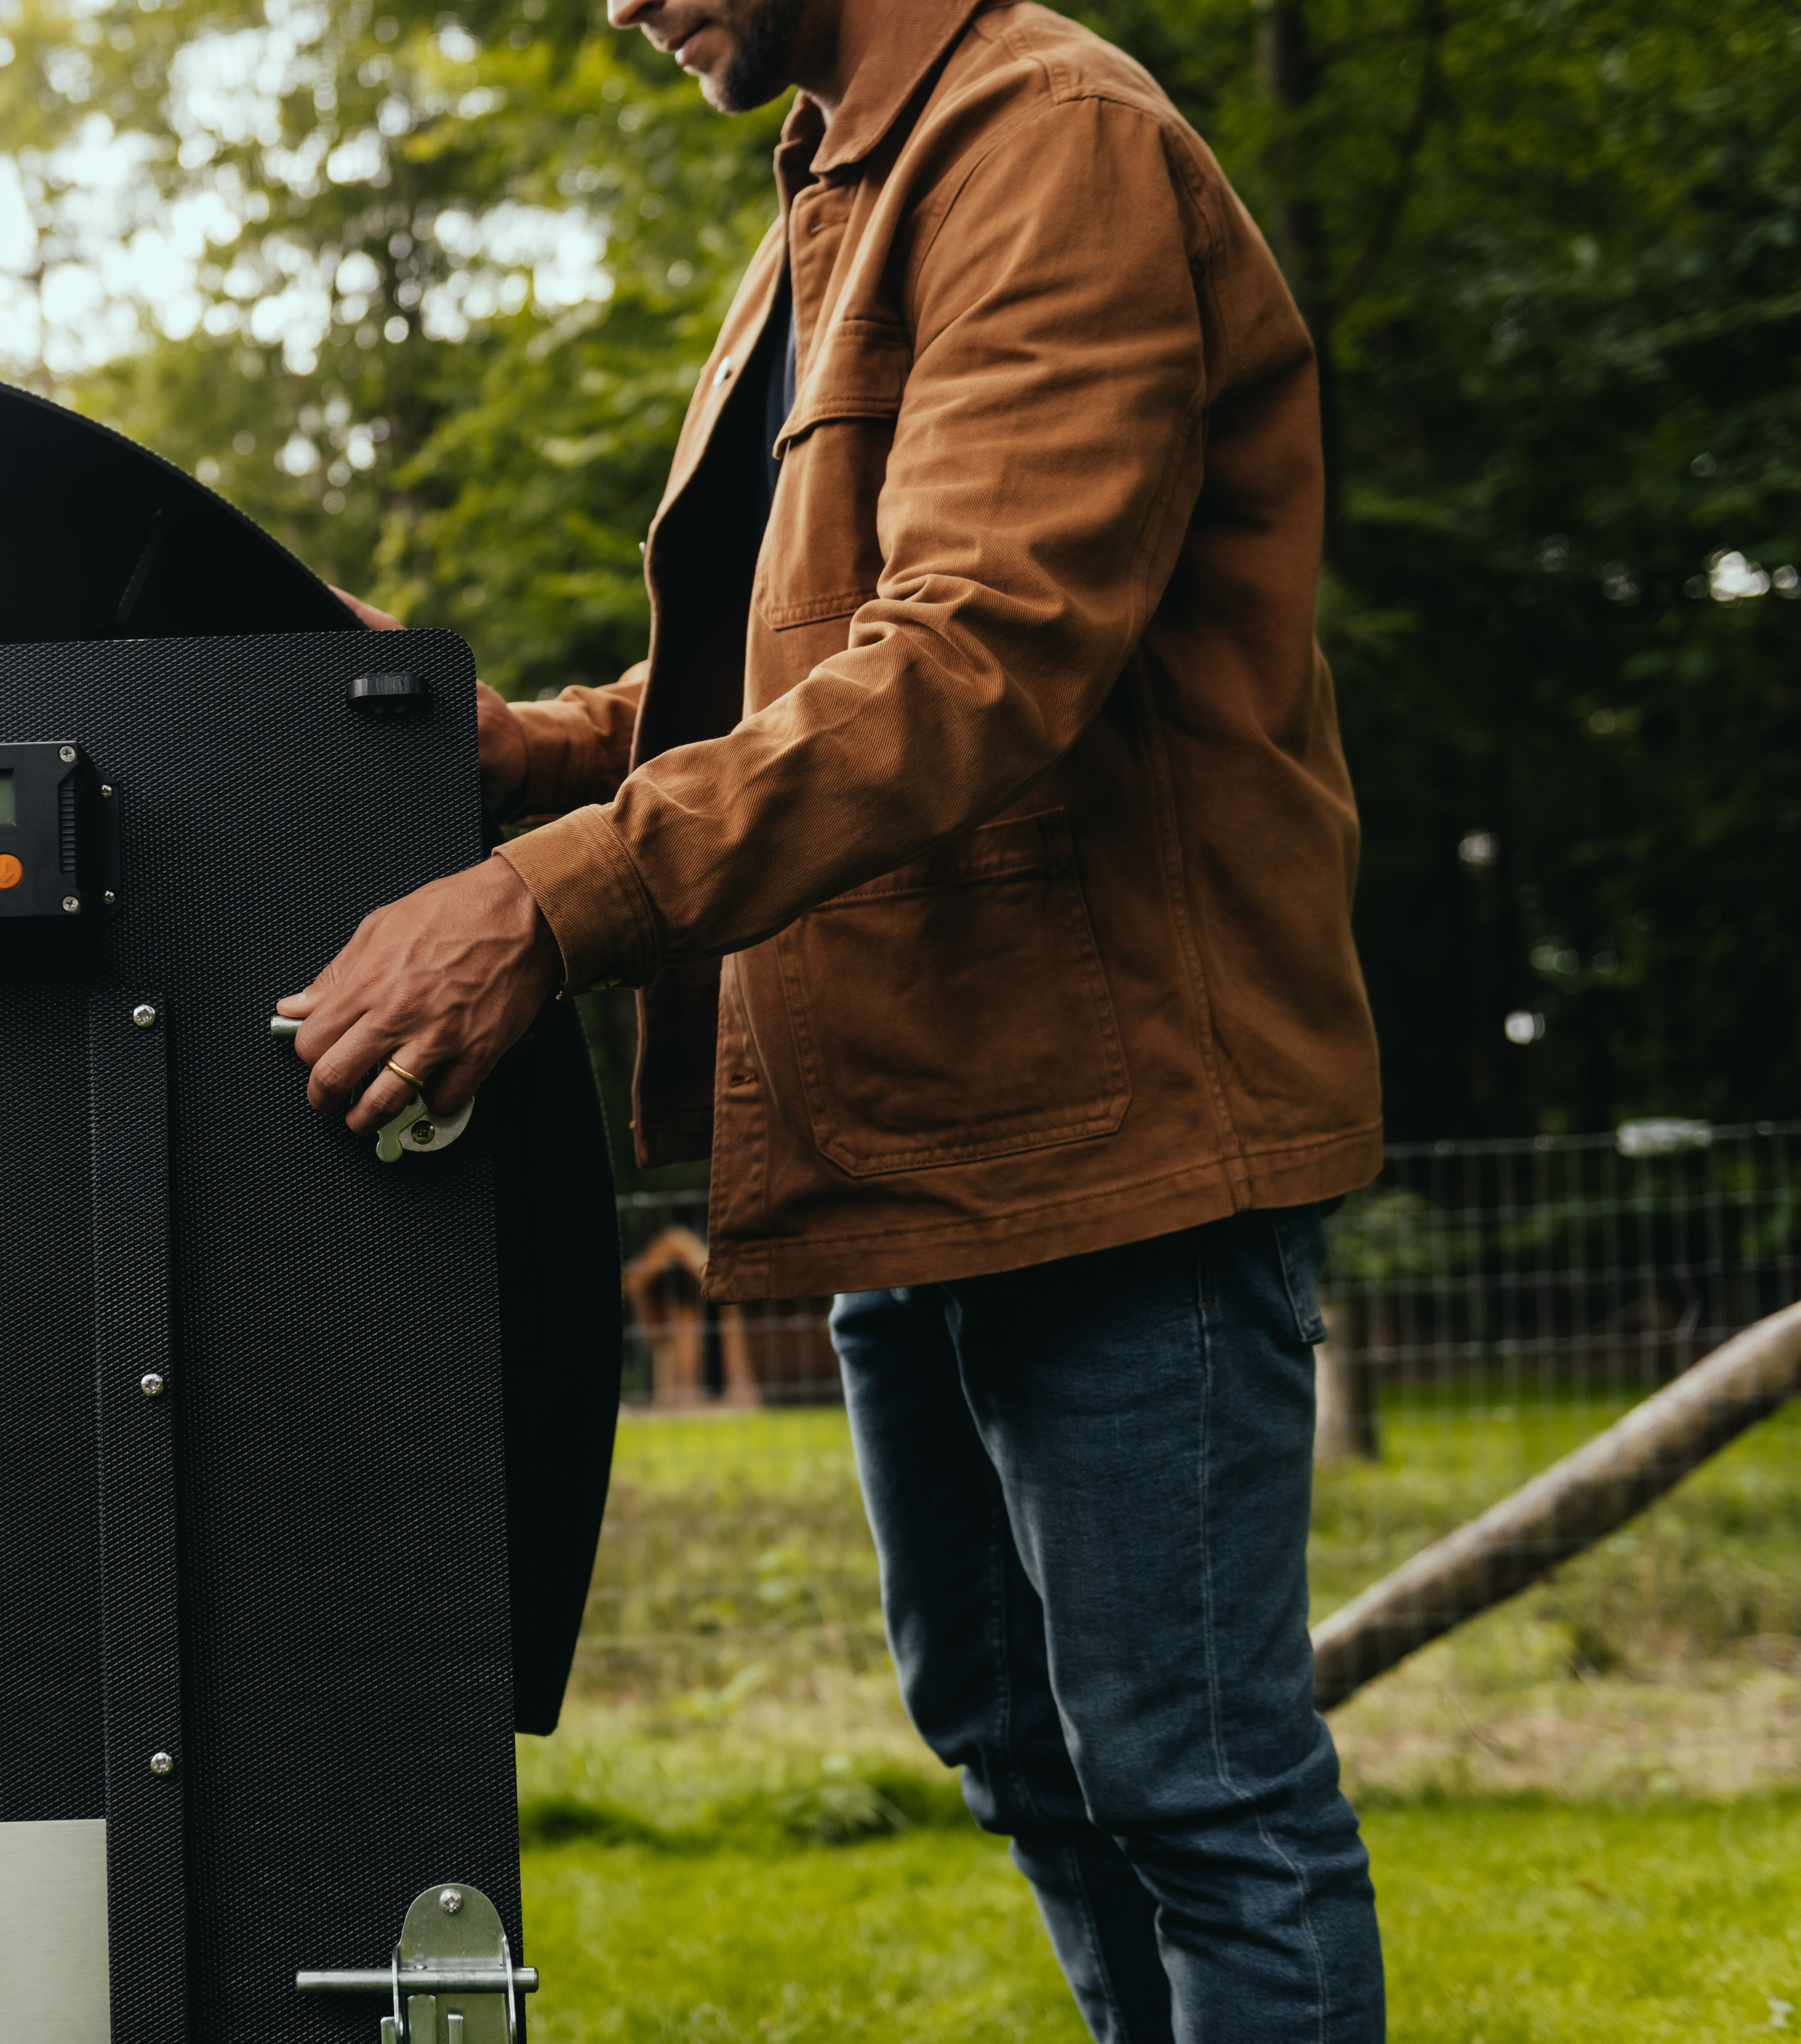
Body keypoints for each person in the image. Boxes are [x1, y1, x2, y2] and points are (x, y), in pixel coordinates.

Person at [276, 0, 1388, 2033]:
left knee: (1194, 1788)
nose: (617, 2)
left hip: (1117, 1150)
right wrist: (532, 750)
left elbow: (979, 658)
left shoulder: (1049, 141)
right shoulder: (838, 186)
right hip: (913, 1146)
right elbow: (792, 674)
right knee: (1028, 1761)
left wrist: (552, 905)